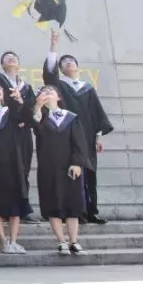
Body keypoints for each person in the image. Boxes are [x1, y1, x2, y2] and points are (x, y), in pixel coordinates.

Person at [44, 29, 114, 224]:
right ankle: (75, 212)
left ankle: (91, 211)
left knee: (90, 174)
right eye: (64, 62)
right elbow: (49, 74)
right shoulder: (59, 85)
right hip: (67, 136)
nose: (68, 63)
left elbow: (97, 114)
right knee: (71, 173)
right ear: (60, 68)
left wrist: (98, 136)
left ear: (77, 66)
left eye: (71, 61)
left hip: (88, 136)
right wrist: (53, 46)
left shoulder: (87, 88)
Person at [0, 27, 40, 223]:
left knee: (23, 169)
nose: (11, 58)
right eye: (7, 57)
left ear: (19, 64)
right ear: (2, 65)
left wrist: (24, 108)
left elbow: (33, 109)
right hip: (4, 133)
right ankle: (2, 208)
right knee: (2, 171)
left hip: (22, 134)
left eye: (14, 57)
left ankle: (23, 208)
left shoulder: (26, 87)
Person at [32, 84, 89, 254]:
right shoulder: (40, 117)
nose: (47, 93)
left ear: (59, 97)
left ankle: (74, 241)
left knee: (72, 204)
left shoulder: (71, 117)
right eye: (44, 92)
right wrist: (37, 106)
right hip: (49, 167)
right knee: (52, 203)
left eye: (51, 92)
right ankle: (61, 241)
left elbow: (80, 142)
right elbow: (37, 128)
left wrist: (77, 163)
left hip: (69, 167)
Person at [0, 82, 33, 254]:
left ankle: (13, 241)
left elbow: (28, 119)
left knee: (15, 204)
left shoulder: (11, 112)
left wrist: (20, 101)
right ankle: (3, 241)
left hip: (13, 164)